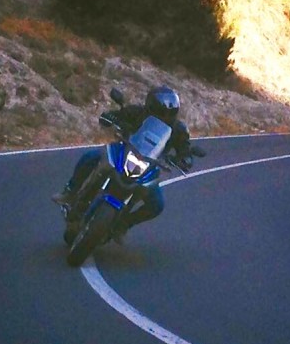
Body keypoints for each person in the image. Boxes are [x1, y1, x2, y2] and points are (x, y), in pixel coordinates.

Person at [52, 86, 194, 242]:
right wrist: (110, 118)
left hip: (149, 166)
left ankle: (124, 224)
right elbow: (115, 115)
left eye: (169, 112)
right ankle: (70, 191)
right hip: (123, 151)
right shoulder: (136, 112)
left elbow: (185, 147)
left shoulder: (179, 129)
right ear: (150, 106)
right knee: (91, 157)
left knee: (157, 205)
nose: (164, 115)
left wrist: (185, 159)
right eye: (160, 110)